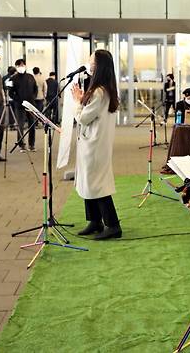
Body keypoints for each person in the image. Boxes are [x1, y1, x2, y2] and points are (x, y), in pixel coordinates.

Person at [71, 49, 121, 240]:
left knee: (97, 184)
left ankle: (113, 225)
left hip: (94, 144)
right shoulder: (102, 89)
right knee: (89, 181)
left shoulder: (100, 91)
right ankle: (95, 221)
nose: (88, 63)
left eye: (91, 60)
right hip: (94, 142)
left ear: (99, 66)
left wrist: (77, 101)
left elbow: (83, 118)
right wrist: (83, 98)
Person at [11, 59, 38, 152]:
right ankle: (21, 145)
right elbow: (11, 92)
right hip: (19, 105)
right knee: (20, 125)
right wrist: (17, 99)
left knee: (32, 125)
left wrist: (33, 97)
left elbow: (35, 88)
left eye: (23, 65)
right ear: (16, 67)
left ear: (25, 65)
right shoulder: (13, 78)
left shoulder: (30, 77)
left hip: (31, 104)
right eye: (19, 65)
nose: (21, 67)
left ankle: (32, 144)